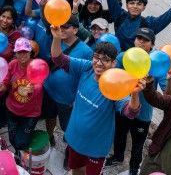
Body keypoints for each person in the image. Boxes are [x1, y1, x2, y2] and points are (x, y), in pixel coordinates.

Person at [50, 26, 144, 175]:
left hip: (96, 148)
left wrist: (134, 94)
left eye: (105, 60)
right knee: (75, 171)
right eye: (96, 57)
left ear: (113, 63)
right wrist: (56, 38)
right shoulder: (86, 68)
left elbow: (130, 112)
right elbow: (58, 58)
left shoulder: (115, 84)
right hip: (74, 137)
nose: (99, 63)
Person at [108, 28, 171, 174]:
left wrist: (169, 80)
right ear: (134, 40)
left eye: (145, 40)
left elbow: (168, 95)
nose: (141, 42)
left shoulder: (157, 63)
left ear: (151, 45)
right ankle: (117, 157)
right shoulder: (123, 57)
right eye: (139, 38)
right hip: (124, 107)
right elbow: (112, 77)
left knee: (138, 144)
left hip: (143, 114)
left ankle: (133, 168)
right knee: (119, 135)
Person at [41, 15, 92, 153]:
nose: (61, 29)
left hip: (67, 98)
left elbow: (87, 76)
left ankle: (69, 152)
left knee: (67, 127)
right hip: (49, 90)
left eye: (65, 27)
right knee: (50, 116)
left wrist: (78, 99)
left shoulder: (86, 51)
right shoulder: (55, 39)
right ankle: (49, 135)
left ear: (75, 30)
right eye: (60, 26)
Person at [0, 38, 43, 159]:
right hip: (12, 109)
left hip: (30, 113)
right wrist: (2, 86)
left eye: (25, 52)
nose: (22, 55)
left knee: (21, 142)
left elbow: (39, 85)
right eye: (19, 52)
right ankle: (18, 153)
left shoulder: (36, 66)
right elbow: (6, 81)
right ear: (15, 53)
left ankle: (20, 151)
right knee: (13, 138)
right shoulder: (12, 64)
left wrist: (33, 89)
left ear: (30, 52)